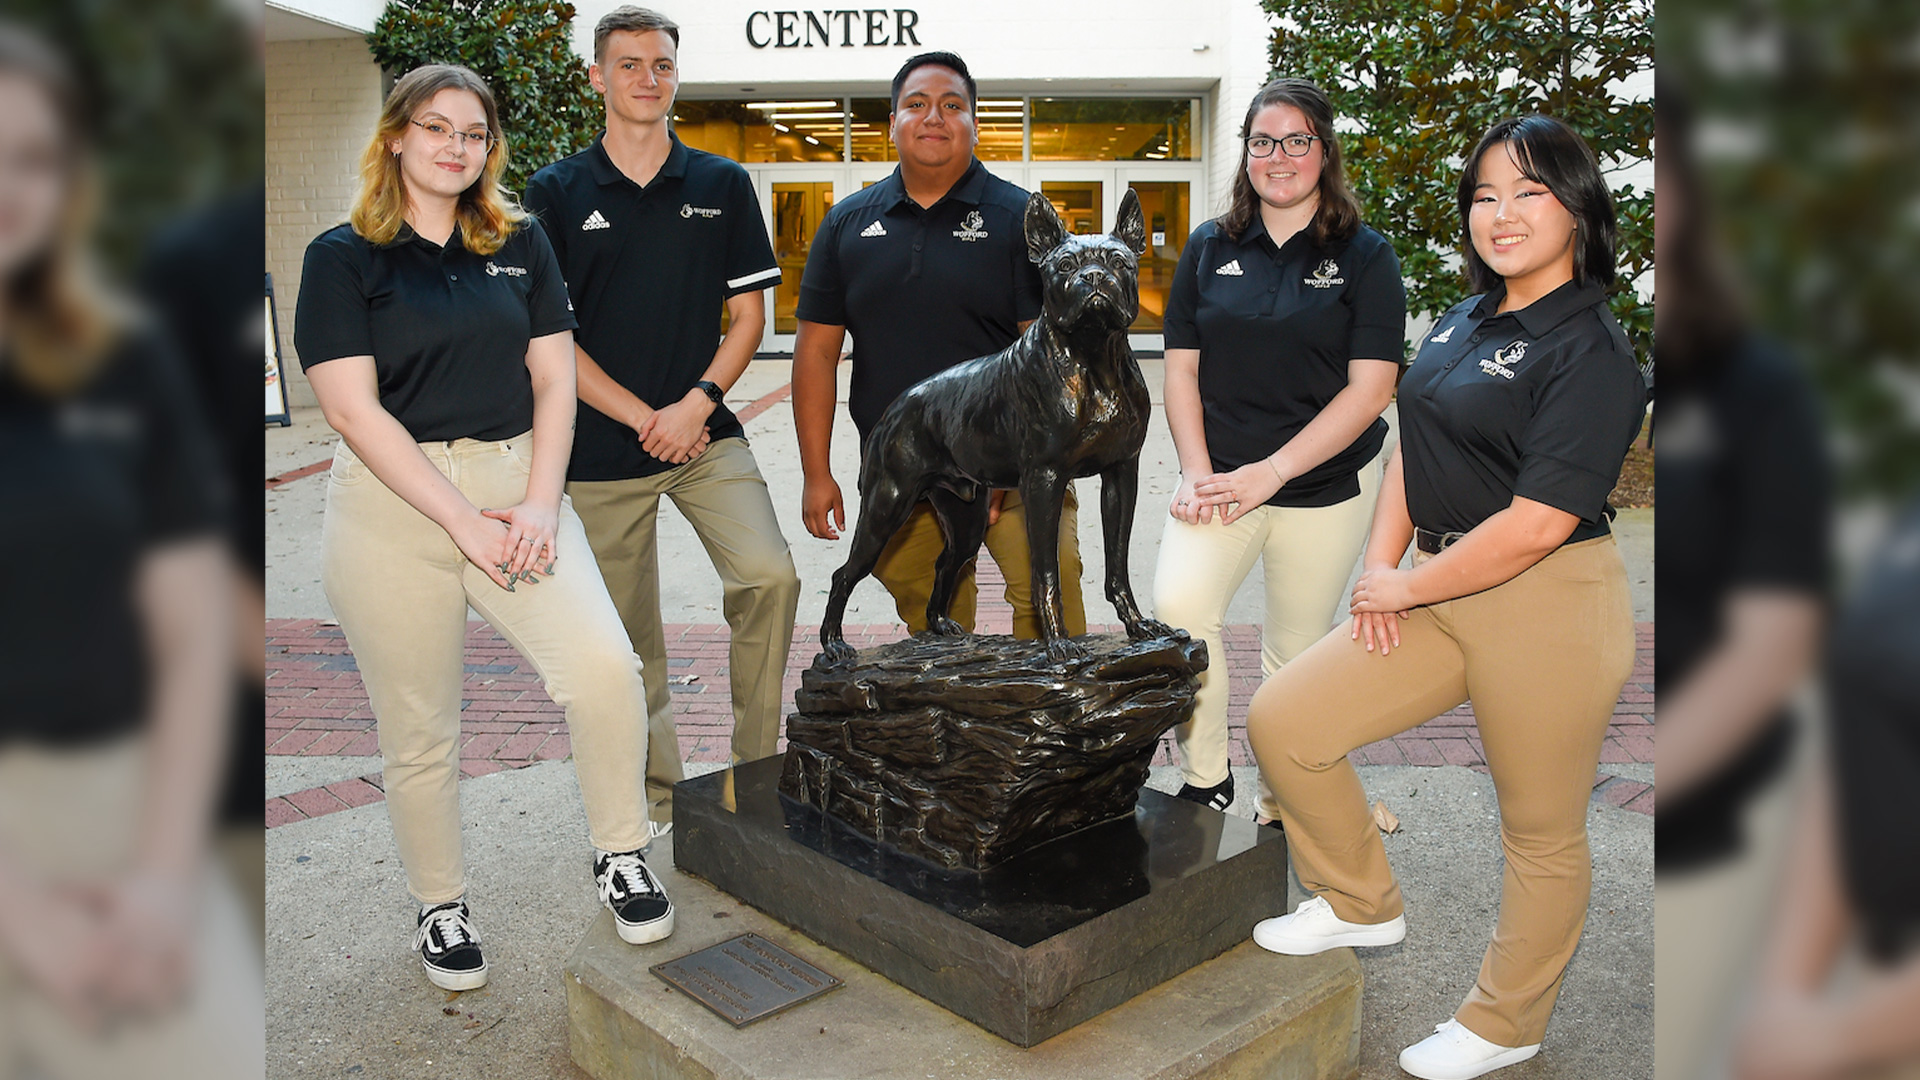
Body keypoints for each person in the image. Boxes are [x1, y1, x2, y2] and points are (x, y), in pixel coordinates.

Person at [1242, 115, 1646, 1080]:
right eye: (1485, 196)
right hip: (1435, 585)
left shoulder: (1594, 353)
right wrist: (1381, 578)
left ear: (1580, 212)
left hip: (1548, 606)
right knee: (1286, 721)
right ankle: (1359, 903)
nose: (1501, 216)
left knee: (1540, 831)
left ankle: (1509, 1022)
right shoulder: (1466, 318)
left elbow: (1539, 523)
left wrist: (1408, 582)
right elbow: (1411, 456)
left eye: (1530, 194)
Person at [295, 64, 672, 992]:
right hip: (396, 504)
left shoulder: (522, 242)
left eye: (474, 133)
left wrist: (541, 503)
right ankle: (441, 905)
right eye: (437, 128)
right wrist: (461, 520)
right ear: (396, 137)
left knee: (604, 671)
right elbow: (353, 410)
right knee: (420, 729)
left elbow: (553, 379)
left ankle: (620, 851)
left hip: (515, 484)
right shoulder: (342, 256)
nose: (457, 147)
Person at [0, 22, 259, 1077]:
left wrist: (160, 878)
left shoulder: (114, 359)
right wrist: (22, 913)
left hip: (121, 804)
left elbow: (190, 625)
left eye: (31, 158)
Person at [524, 7, 799, 832]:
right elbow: (550, 338)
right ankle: (654, 797)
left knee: (769, 577)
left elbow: (749, 319)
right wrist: (648, 416)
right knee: (626, 640)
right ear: (598, 77)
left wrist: (697, 404)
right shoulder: (557, 192)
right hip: (602, 447)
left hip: (704, 435)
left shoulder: (719, 185)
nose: (650, 78)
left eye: (664, 65)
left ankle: (755, 777)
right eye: (632, 64)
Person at [1152, 77, 1402, 816]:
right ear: (1247, 154)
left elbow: (1371, 390)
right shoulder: (1208, 247)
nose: (1280, 155)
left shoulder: (1366, 255)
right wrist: (1198, 475)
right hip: (1222, 480)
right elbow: (1181, 373)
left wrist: (1274, 472)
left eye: (1298, 140)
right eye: (1264, 142)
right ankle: (1207, 778)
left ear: (1324, 152)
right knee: (1180, 611)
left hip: (1325, 487)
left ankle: (1286, 789)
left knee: (1295, 655)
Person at [793, 50, 1086, 639]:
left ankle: (1056, 728)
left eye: (953, 105)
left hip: (1016, 458)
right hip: (905, 460)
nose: (934, 117)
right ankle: (956, 731)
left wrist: (1004, 470)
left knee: (1048, 598)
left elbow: (1050, 360)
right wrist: (816, 472)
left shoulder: (1018, 218)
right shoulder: (848, 224)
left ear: (975, 123)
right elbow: (816, 355)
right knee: (939, 627)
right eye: (917, 104)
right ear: (893, 122)